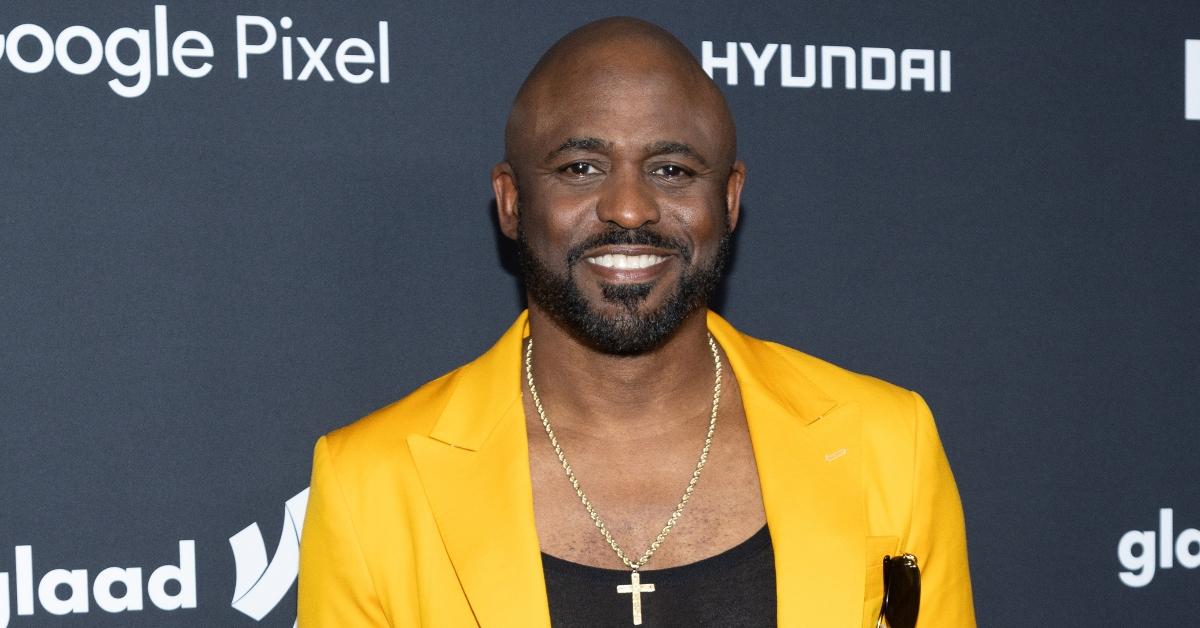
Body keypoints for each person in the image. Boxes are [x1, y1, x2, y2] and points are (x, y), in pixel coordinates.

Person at [298, 16, 975, 628]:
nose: (628, 207)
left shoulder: (888, 443)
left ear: (730, 199)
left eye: (672, 168)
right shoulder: (373, 483)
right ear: (511, 201)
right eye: (582, 167)